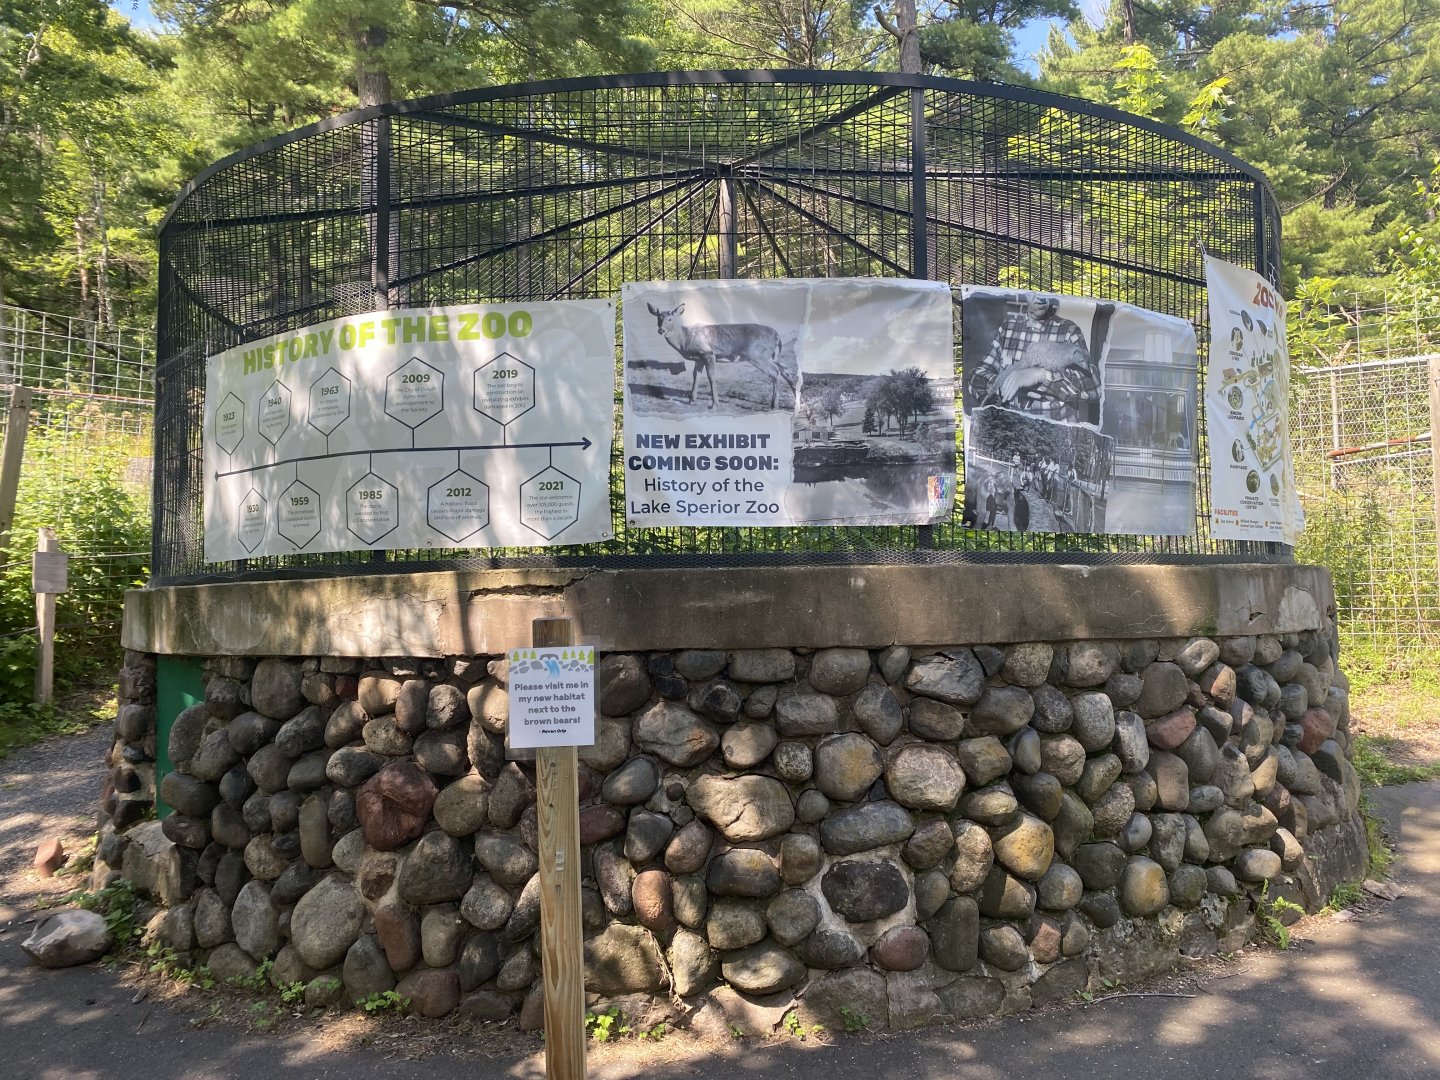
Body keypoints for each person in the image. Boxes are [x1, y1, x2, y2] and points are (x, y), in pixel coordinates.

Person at [968, 295, 1101, 424]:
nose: (1041, 298)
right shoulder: (1007, 330)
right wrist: (1005, 383)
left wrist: (1042, 375)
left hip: (1054, 434)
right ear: (1025, 294)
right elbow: (975, 377)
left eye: (1045, 293)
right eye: (1034, 293)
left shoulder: (1068, 331)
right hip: (1012, 430)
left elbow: (1095, 388)